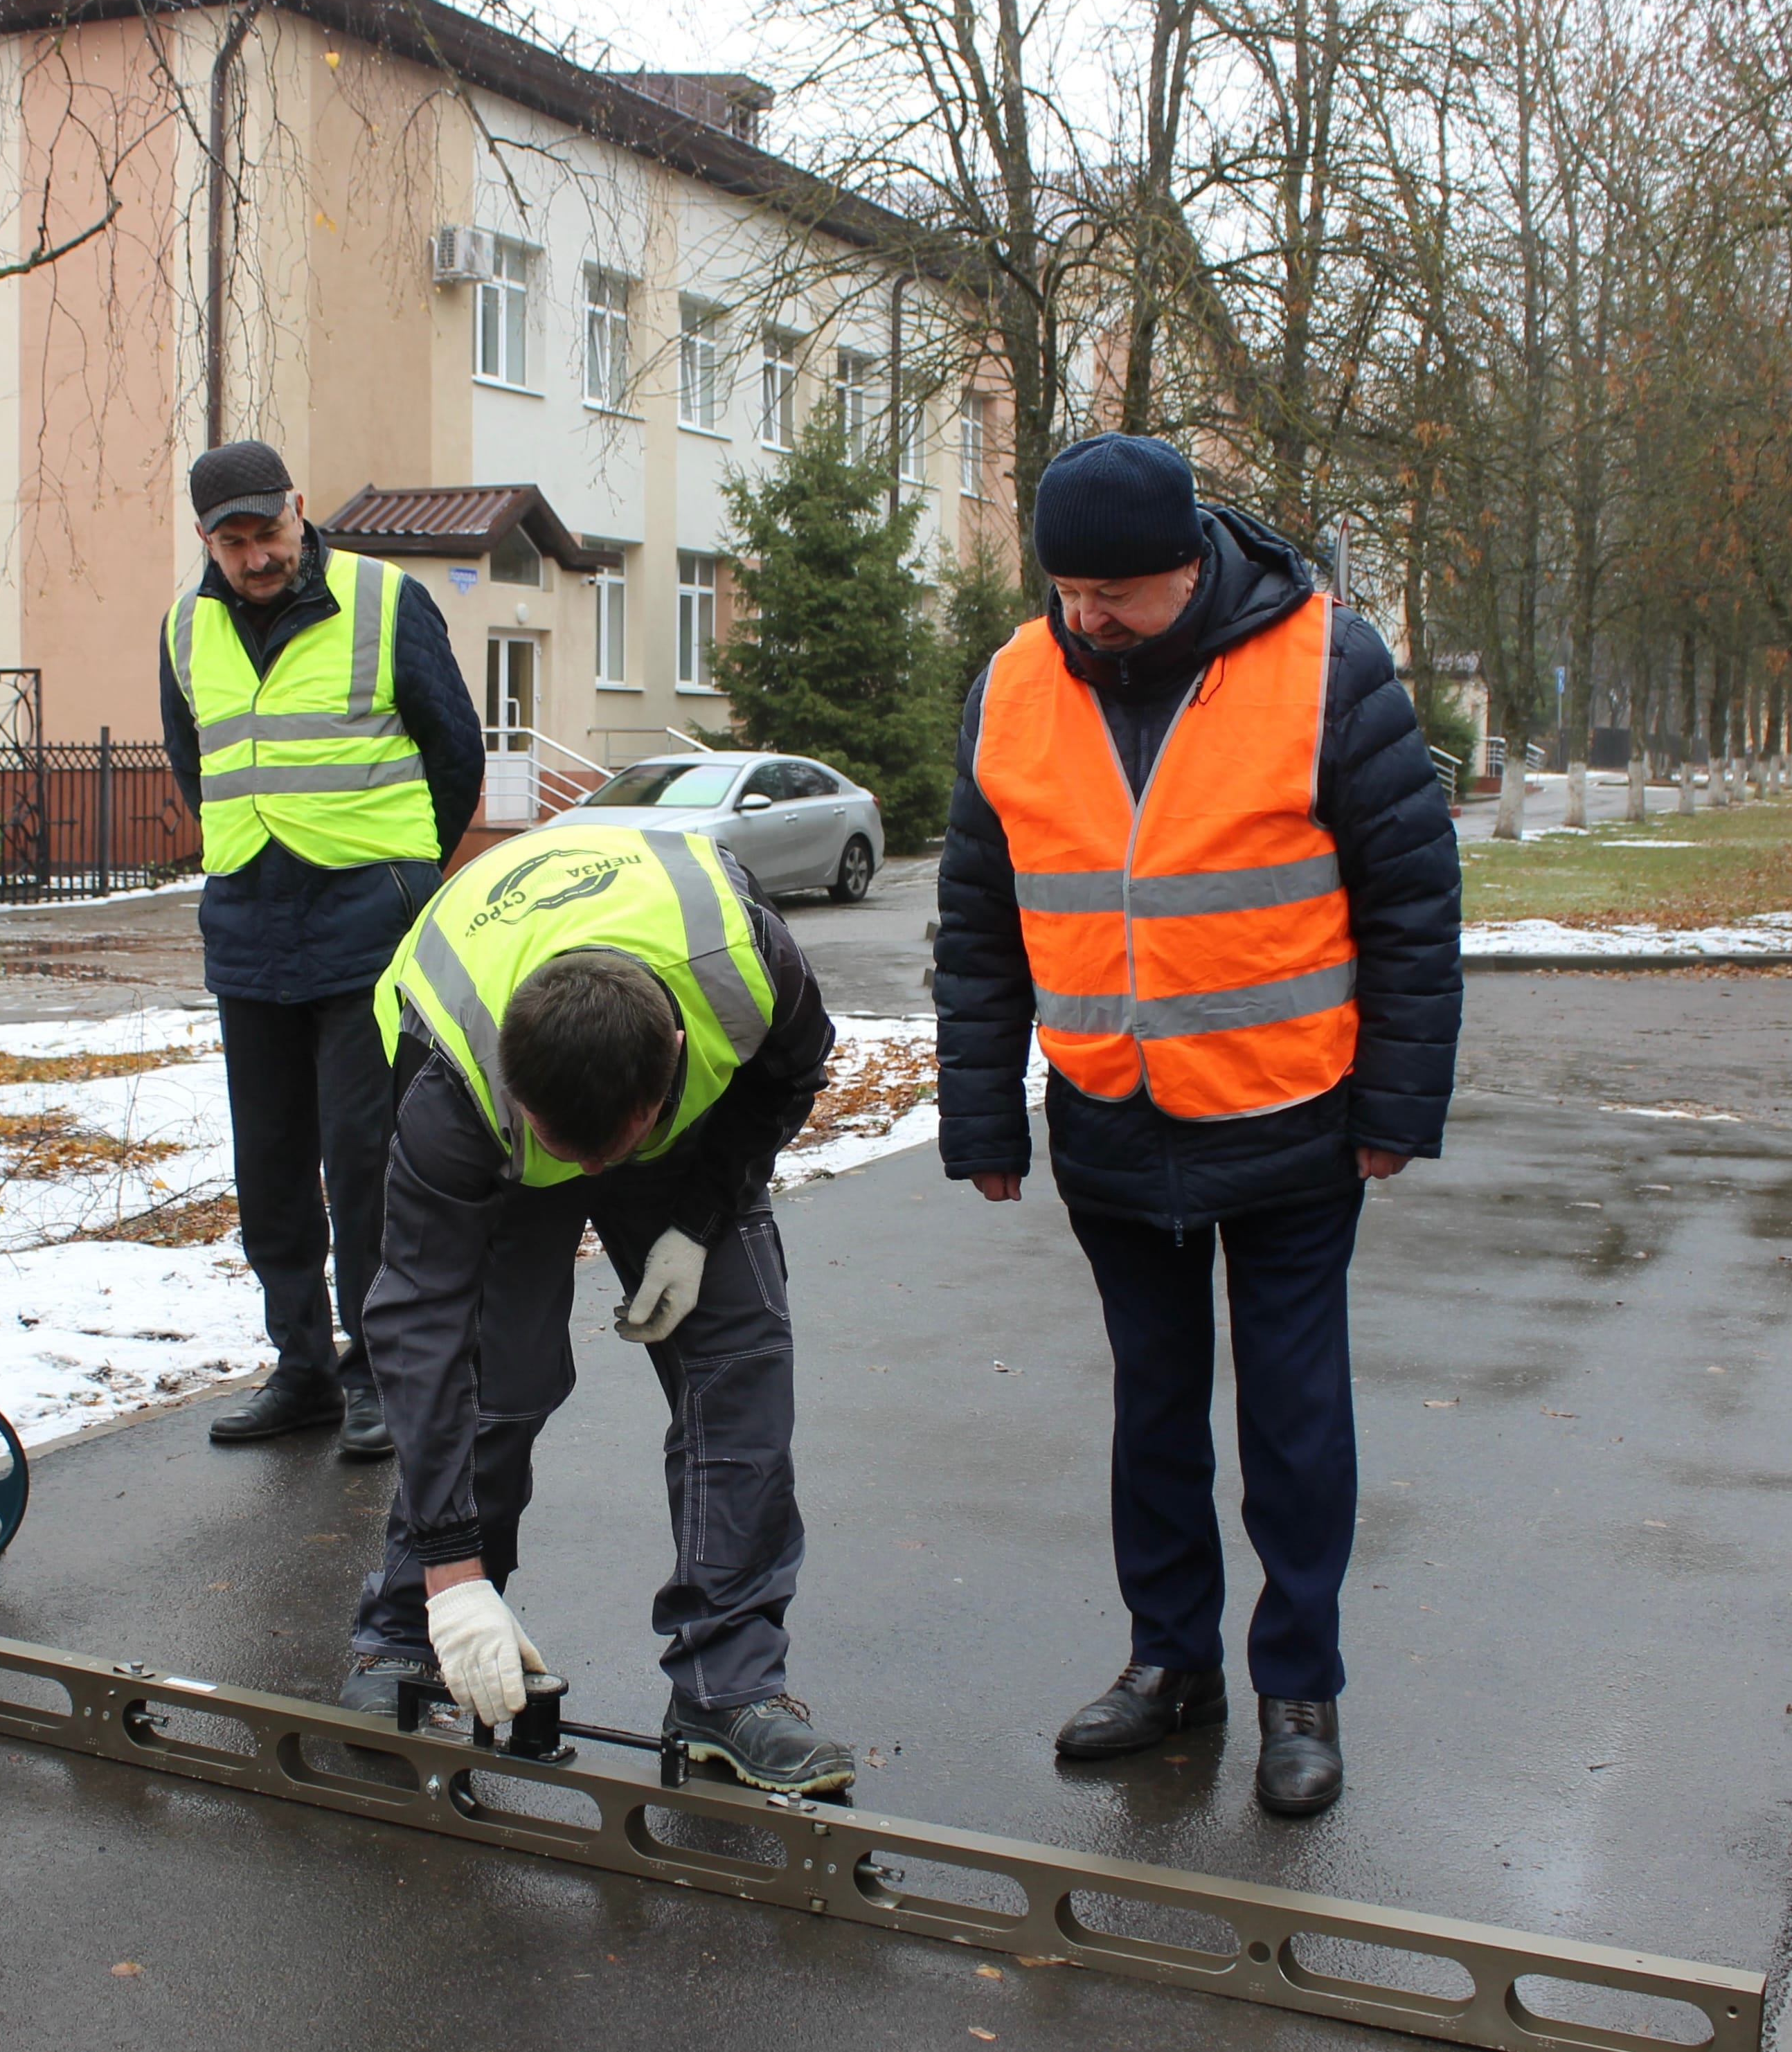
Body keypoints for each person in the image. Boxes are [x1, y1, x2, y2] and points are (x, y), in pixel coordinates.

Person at [933, 433, 1460, 1817]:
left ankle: (1300, 1689)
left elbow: (1412, 901)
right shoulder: (1013, 683)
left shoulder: (1324, 664)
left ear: (1189, 565)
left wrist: (1398, 1102)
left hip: (1291, 1118)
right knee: (1152, 1415)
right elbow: (979, 917)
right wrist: (981, 1110)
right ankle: (1170, 1663)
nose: (1087, 616)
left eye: (1115, 593)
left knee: (1293, 1423)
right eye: (1067, 590)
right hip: (1112, 1120)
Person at [337, 823, 855, 1794]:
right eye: (561, 1148)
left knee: (739, 1365)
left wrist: (698, 1223)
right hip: (502, 1131)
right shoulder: (453, 1076)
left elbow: (785, 1079)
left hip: (683, 1141)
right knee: (496, 1378)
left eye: (601, 1154)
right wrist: (453, 1570)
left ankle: (729, 1687)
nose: (582, 1175)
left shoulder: (747, 969)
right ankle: (411, 1630)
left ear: (672, 1058)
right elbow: (420, 1320)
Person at [159, 441, 483, 1460]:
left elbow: (455, 749)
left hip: (366, 927)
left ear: (299, 509)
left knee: (363, 1159)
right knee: (269, 1165)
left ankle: (377, 1368)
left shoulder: (386, 602)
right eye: (235, 542)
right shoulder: (183, 626)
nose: (258, 557)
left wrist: (401, 873)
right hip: (249, 924)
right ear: (206, 539)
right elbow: (193, 762)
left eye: (271, 533)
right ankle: (300, 1366)